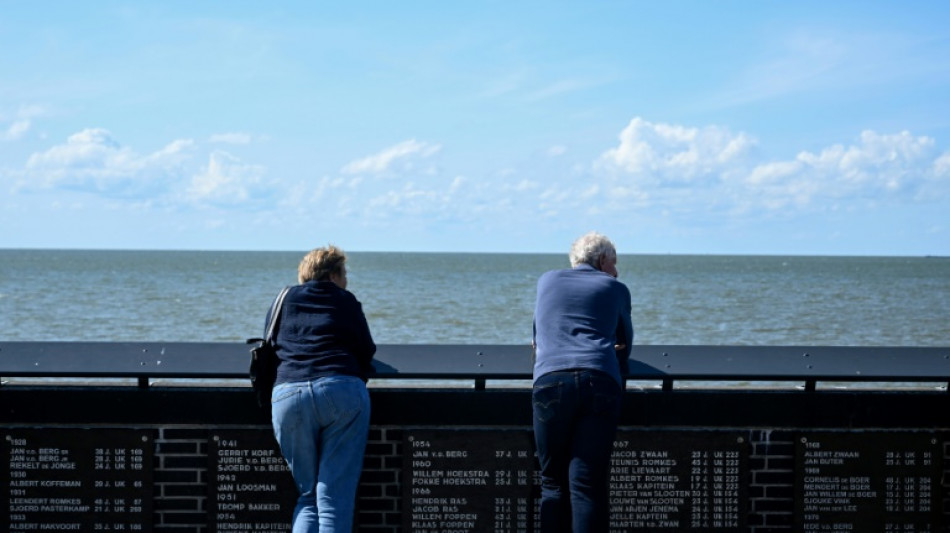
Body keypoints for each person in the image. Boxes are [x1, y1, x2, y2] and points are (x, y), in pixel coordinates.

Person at [267, 245, 376, 532]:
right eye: (344, 273)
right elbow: (366, 350)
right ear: (333, 275)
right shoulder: (345, 301)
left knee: (307, 496)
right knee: (333, 500)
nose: (347, 280)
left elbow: (271, 345)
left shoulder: (283, 298)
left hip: (289, 395)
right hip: (340, 390)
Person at [531, 232, 634, 532]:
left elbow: (538, 337)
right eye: (615, 263)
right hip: (599, 380)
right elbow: (625, 342)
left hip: (551, 381)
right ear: (603, 261)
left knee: (552, 482)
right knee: (587, 484)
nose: (616, 271)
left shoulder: (547, 281)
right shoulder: (614, 287)